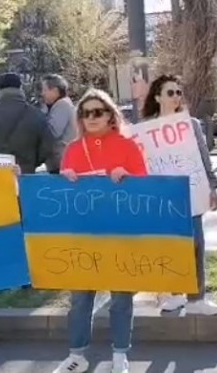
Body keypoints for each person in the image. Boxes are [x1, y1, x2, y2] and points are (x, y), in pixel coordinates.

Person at [53, 89, 147, 373]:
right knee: (80, 298)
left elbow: (145, 188)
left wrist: (128, 179)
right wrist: (64, 180)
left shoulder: (128, 146)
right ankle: (77, 355)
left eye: (98, 112)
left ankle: (120, 354)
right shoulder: (72, 149)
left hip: (121, 234)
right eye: (85, 113)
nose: (91, 118)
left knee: (121, 298)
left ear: (110, 116)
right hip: (83, 235)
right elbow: (63, 200)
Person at [140, 74, 217, 316]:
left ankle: (197, 298)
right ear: (157, 97)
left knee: (196, 244)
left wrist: (213, 186)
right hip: (163, 196)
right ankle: (174, 294)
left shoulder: (191, 124)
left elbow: (203, 157)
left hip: (193, 191)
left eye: (178, 92)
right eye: (170, 93)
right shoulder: (147, 129)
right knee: (170, 245)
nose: (176, 97)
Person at [0, 72, 54, 174]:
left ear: (0, 90)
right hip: (25, 174)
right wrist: (30, 163)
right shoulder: (36, 114)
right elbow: (47, 148)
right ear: (20, 88)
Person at [40, 74, 77, 174]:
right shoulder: (57, 106)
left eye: (45, 90)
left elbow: (53, 131)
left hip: (61, 161)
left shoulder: (62, 105)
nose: (42, 94)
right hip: (60, 161)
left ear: (55, 91)